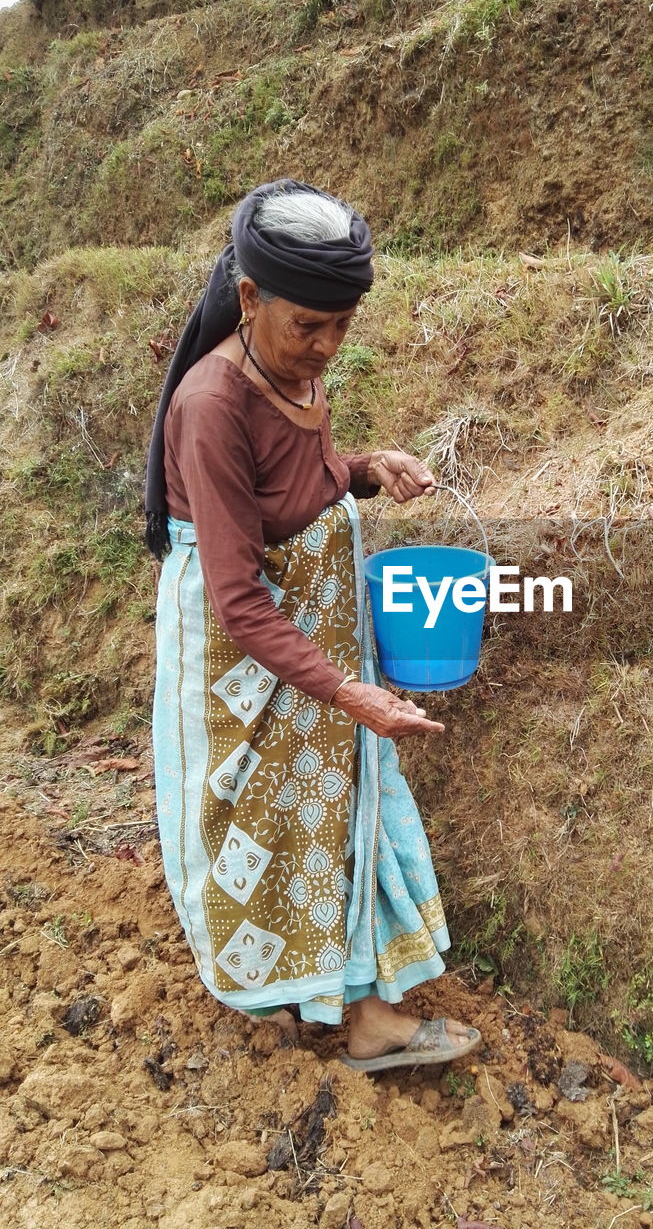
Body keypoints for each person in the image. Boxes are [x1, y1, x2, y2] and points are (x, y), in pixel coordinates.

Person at [145, 178, 480, 1072]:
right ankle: (311, 1001)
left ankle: (362, 1009)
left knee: (338, 807)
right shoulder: (211, 407)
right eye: (310, 325)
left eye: (343, 324)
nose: (328, 346)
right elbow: (238, 594)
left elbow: (305, 473)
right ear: (249, 298)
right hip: (245, 661)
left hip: (312, 647)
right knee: (267, 821)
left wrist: (370, 467)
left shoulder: (290, 365)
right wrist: (344, 690)